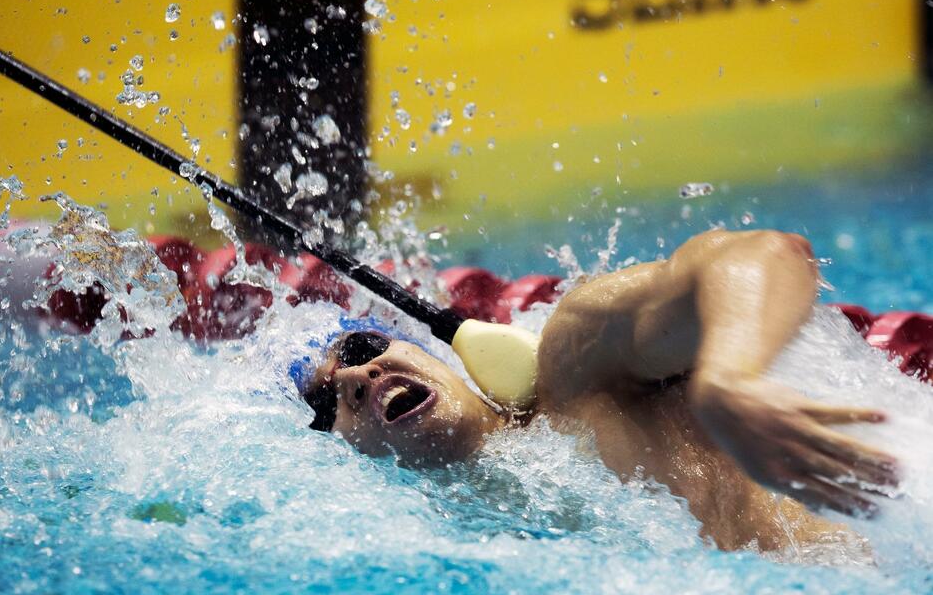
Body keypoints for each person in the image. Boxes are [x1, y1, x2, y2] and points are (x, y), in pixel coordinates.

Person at [300, 229, 900, 552]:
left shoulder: (578, 370)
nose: (357, 378)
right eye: (329, 403)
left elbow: (766, 252)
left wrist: (731, 376)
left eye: (360, 350)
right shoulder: (442, 548)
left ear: (434, 356)